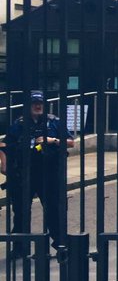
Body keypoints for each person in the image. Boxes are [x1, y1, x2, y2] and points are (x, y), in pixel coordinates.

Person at [1, 90, 74, 255]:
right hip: (25, 174)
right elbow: (5, 145)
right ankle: (20, 247)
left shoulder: (54, 122)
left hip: (49, 174)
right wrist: (4, 164)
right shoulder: (19, 124)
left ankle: (60, 245)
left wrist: (51, 140)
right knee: (20, 211)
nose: (38, 106)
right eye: (34, 103)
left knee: (53, 210)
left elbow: (70, 142)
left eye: (40, 103)